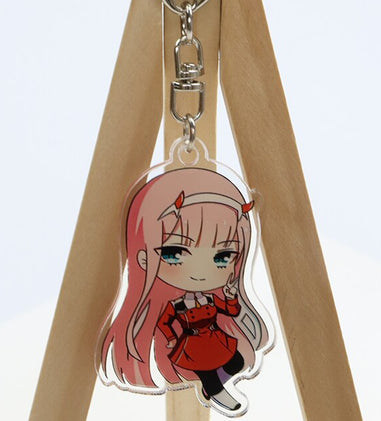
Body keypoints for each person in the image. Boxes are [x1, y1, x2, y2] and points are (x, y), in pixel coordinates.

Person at [100, 167, 270, 414]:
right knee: (207, 371)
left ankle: (209, 386)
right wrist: (171, 337)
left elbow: (230, 310)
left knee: (237, 362)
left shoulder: (210, 299)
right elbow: (166, 321)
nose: (200, 272)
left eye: (223, 256)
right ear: (145, 257)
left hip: (216, 339)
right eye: (175, 253)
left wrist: (231, 297)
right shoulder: (177, 305)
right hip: (193, 345)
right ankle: (213, 388)